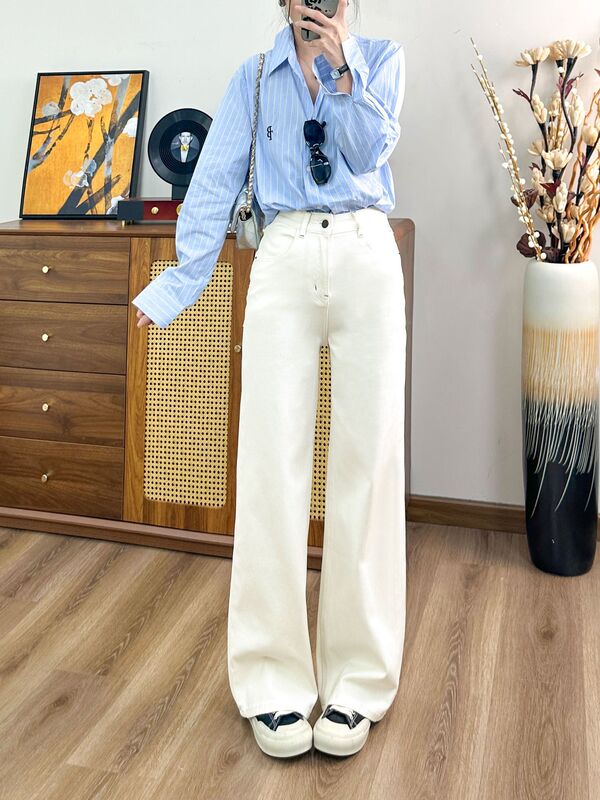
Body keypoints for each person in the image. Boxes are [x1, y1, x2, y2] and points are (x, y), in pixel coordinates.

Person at [131, 0, 407, 760]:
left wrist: (342, 66)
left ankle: (358, 682)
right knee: (269, 468)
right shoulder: (253, 77)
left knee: (367, 467)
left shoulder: (382, 61)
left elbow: (368, 151)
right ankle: (271, 682)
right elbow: (215, 179)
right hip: (283, 255)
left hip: (366, 254)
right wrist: (180, 282)